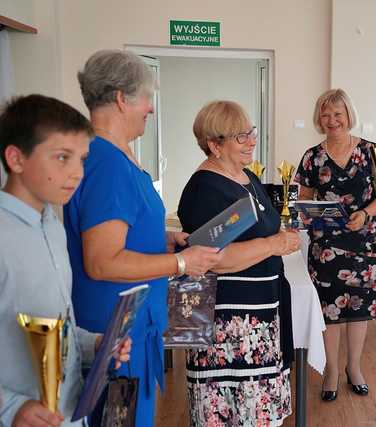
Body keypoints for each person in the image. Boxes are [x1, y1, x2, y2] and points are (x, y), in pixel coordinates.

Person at [64, 50, 222, 427]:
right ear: (122, 98)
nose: (151, 109)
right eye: (147, 97)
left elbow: (120, 231)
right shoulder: (107, 164)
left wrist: (162, 240)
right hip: (115, 340)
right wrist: (182, 262)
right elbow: (101, 260)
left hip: (129, 331)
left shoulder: (114, 157)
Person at [0, 94, 131, 427]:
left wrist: (96, 346)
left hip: (70, 413)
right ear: (16, 158)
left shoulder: (53, 228)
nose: (77, 173)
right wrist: (11, 407)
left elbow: (59, 328)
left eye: (82, 159)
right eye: (62, 157)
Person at [177, 100, 299, 426]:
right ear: (214, 145)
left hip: (259, 318)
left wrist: (278, 235)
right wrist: (273, 243)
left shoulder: (244, 175)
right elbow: (213, 260)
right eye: (240, 137)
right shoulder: (204, 188)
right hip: (229, 329)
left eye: (251, 132)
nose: (251, 141)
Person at [294, 89, 376, 401]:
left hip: (364, 243)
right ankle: (332, 369)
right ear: (319, 118)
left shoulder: (371, 151)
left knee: (359, 309)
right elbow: (301, 201)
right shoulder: (311, 156)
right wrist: (313, 212)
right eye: (325, 114)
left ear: (348, 114)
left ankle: (354, 368)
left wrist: (365, 213)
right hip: (326, 248)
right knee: (329, 310)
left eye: (338, 113)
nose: (332, 120)